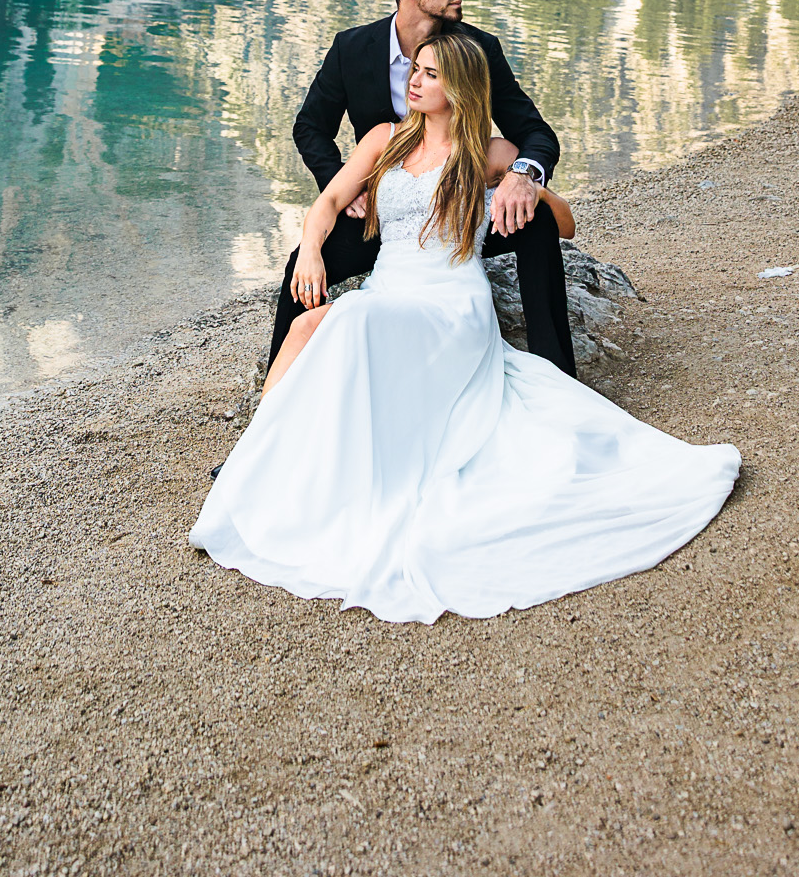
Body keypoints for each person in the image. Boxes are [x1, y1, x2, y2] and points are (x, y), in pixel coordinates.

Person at [191, 32, 739, 621]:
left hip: (450, 301)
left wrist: (522, 183)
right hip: (391, 288)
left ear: (459, 88)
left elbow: (566, 223)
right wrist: (310, 252)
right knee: (307, 328)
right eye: (416, 70)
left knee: (348, 318)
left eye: (430, 74)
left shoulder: (486, 152)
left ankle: (292, 468)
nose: (415, 81)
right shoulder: (383, 139)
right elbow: (326, 205)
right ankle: (257, 460)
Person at [271, 0, 575, 375]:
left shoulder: (479, 50)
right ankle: (287, 378)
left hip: (457, 218)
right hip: (382, 213)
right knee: (303, 261)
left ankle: (558, 369)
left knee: (539, 220)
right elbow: (310, 128)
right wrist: (344, 187)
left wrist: (523, 175)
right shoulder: (352, 49)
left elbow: (535, 132)